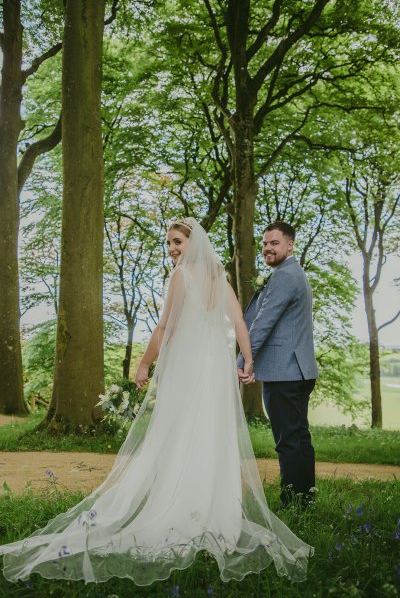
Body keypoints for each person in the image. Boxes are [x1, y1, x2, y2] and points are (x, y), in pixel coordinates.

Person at [0, 217, 313, 586]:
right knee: (209, 432)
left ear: (192, 243)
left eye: (178, 242)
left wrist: (145, 363)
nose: (173, 250)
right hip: (213, 368)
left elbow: (166, 326)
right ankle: (215, 512)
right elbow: (240, 326)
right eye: (169, 244)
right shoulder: (219, 278)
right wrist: (247, 360)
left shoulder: (182, 277)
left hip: (189, 366)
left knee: (183, 431)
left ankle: (182, 506)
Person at [237, 221, 318, 508]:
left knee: (288, 440)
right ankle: (304, 497)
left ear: (290, 245)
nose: (267, 248)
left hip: (286, 371)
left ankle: (294, 502)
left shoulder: (285, 275)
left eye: (274, 243)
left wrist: (244, 360)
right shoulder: (291, 273)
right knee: (297, 437)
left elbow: (263, 323)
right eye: (264, 243)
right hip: (295, 369)